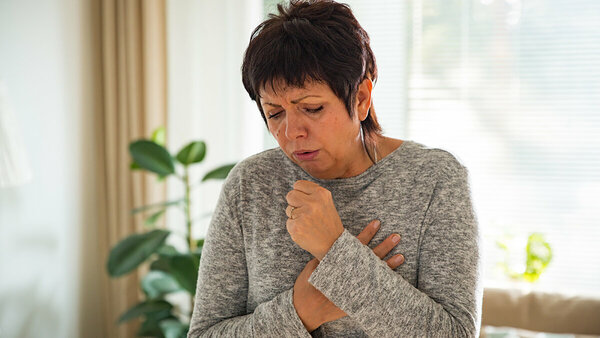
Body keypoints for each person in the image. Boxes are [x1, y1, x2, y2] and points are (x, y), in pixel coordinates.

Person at [188, 0, 482, 336]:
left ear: (360, 99)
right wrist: (300, 311)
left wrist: (335, 252)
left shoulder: (435, 180)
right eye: (274, 113)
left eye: (311, 108)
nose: (291, 132)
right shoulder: (250, 184)